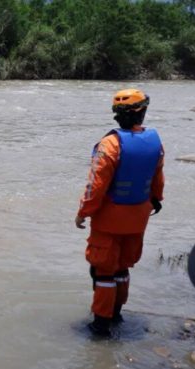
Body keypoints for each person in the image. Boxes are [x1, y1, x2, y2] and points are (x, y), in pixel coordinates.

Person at [75, 89, 165, 337]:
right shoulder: (155, 141)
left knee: (103, 271)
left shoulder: (110, 145)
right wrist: (157, 200)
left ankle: (101, 325)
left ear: (117, 115)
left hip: (109, 220)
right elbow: (157, 180)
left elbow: (96, 186)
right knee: (123, 268)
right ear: (143, 112)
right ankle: (116, 314)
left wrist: (83, 212)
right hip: (138, 219)